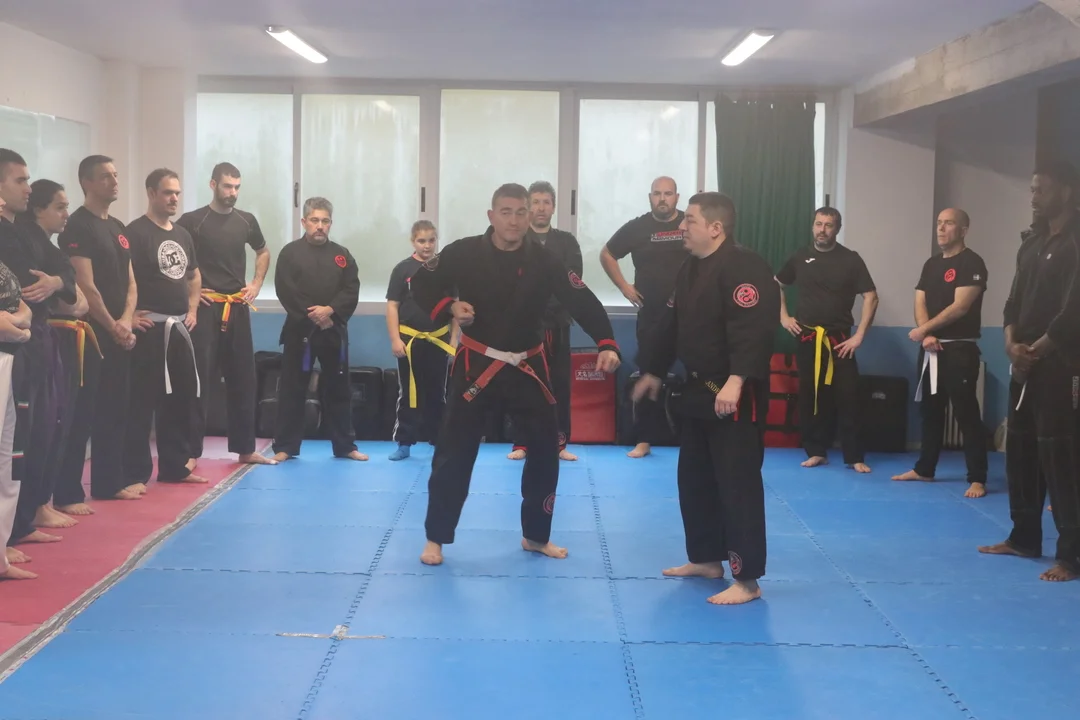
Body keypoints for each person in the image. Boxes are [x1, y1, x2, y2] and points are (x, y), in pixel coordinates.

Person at [409, 183, 621, 567]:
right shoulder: (464, 252)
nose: (514, 220)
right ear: (491, 216)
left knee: (545, 451)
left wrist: (607, 341)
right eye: (505, 212)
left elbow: (581, 298)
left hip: (528, 366)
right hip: (477, 365)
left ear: (529, 216)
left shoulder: (546, 260)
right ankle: (436, 538)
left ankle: (536, 536)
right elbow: (421, 283)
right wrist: (450, 307)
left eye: (520, 212)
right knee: (454, 452)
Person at [633, 192, 778, 605]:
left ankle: (747, 580)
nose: (682, 226)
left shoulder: (744, 265)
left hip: (733, 391)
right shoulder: (691, 266)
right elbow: (670, 323)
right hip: (697, 390)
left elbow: (755, 326)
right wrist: (653, 370)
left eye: (690, 220)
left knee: (737, 484)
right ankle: (706, 559)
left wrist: (737, 379)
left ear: (715, 228)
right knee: (694, 478)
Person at [979, 161, 1080, 583]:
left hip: (1061, 363)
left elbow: (1074, 309)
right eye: (1032, 189)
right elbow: (1012, 302)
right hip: (1024, 361)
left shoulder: (1075, 240)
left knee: (1061, 456)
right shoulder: (1032, 242)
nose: (1035, 197)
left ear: (1067, 192)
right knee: (1019, 449)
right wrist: (1010, 344)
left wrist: (1037, 349)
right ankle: (1024, 538)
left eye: (1043, 190)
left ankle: (1072, 556)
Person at [0, 152, 78, 552]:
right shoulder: (8, 234)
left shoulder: (26, 232)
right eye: (20, 181)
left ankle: (25, 517)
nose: (28, 189)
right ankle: (11, 530)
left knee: (40, 430)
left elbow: (66, 274)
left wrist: (55, 283)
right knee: (13, 443)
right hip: (13, 344)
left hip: (34, 336)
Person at [177, 162, 274, 467]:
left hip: (237, 307)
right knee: (199, 381)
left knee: (243, 379)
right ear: (213, 185)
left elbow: (263, 251)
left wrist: (256, 283)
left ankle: (245, 449)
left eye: (237, 187)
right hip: (206, 308)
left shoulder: (246, 221)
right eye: (227, 186)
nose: (232, 192)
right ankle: (191, 453)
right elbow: (173, 258)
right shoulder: (193, 221)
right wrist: (191, 292)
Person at [60, 155, 143, 501]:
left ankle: (110, 483)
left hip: (119, 331)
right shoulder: (77, 226)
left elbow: (131, 282)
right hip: (92, 334)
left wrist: (126, 320)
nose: (114, 181)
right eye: (106, 176)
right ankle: (67, 493)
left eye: (115, 175)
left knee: (116, 408)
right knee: (84, 413)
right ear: (87, 183)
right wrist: (111, 325)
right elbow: (86, 285)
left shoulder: (118, 227)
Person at [892, 209, 989, 498]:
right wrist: (927, 334)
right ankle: (925, 468)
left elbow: (960, 306)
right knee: (930, 411)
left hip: (959, 348)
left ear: (963, 230)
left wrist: (924, 330)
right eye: (939, 223)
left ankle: (977, 477)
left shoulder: (972, 262)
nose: (941, 228)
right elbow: (919, 300)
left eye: (948, 223)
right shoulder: (931, 264)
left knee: (966, 413)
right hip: (930, 348)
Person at [775, 207, 878, 473]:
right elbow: (776, 284)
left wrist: (859, 336)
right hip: (808, 338)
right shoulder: (800, 256)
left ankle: (854, 456)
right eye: (818, 224)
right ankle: (816, 451)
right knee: (810, 395)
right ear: (813, 226)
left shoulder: (850, 259)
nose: (822, 230)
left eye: (828, 225)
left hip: (840, 341)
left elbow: (871, 296)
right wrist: (784, 317)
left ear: (837, 229)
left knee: (849, 396)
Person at [123, 168, 206, 489]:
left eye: (177, 193)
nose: (174, 199)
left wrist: (193, 309)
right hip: (148, 329)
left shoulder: (182, 234)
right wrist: (128, 315)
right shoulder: (135, 232)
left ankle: (174, 466)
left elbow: (194, 275)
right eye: (168, 192)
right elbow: (122, 277)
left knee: (179, 400)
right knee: (142, 403)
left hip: (179, 329)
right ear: (151, 193)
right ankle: (135, 473)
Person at [16, 180, 92, 526]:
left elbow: (69, 281)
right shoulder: (20, 237)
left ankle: (40, 503)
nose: (66, 214)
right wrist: (57, 285)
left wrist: (57, 282)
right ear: (38, 209)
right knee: (33, 429)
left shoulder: (47, 244)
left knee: (53, 423)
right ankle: (28, 512)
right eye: (59, 207)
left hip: (47, 338)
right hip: (29, 338)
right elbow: (47, 291)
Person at [600, 176, 687, 458]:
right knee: (649, 373)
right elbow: (607, 254)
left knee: (700, 373)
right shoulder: (638, 227)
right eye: (657, 193)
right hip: (652, 315)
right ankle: (644, 440)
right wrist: (624, 287)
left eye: (668, 194)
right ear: (650, 197)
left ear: (677, 197)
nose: (663, 199)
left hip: (690, 314)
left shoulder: (688, 225)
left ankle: (698, 438)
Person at [272, 197, 364, 462]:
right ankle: (286, 446)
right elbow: (286, 289)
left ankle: (345, 446)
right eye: (314, 220)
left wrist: (331, 310)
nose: (320, 226)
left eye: (325, 221)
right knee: (292, 389)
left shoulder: (342, 255)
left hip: (333, 329)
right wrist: (314, 315)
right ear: (304, 221)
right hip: (300, 330)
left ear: (331, 223)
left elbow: (351, 288)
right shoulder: (290, 253)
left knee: (339, 389)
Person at [508, 181, 583, 462]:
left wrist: (545, 301)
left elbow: (571, 282)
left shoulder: (566, 242)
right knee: (523, 383)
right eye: (536, 202)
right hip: (524, 326)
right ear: (528, 206)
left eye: (546, 202)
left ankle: (559, 443)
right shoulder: (517, 239)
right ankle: (522, 442)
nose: (541, 208)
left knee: (559, 384)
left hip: (558, 324)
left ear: (553, 207)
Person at [385, 220, 454, 461]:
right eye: (421, 241)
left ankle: (440, 441)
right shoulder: (403, 269)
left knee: (438, 392)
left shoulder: (445, 270)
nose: (427, 245)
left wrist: (455, 341)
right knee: (408, 393)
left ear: (437, 240)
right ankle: (404, 442)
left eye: (431, 240)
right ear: (413, 242)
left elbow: (455, 307)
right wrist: (395, 339)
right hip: (409, 340)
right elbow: (392, 306)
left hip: (438, 339)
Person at [0, 244, 34, 580]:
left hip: (11, 359)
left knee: (8, 460)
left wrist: (20, 326)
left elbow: (24, 308)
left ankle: (0, 555)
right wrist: (18, 329)